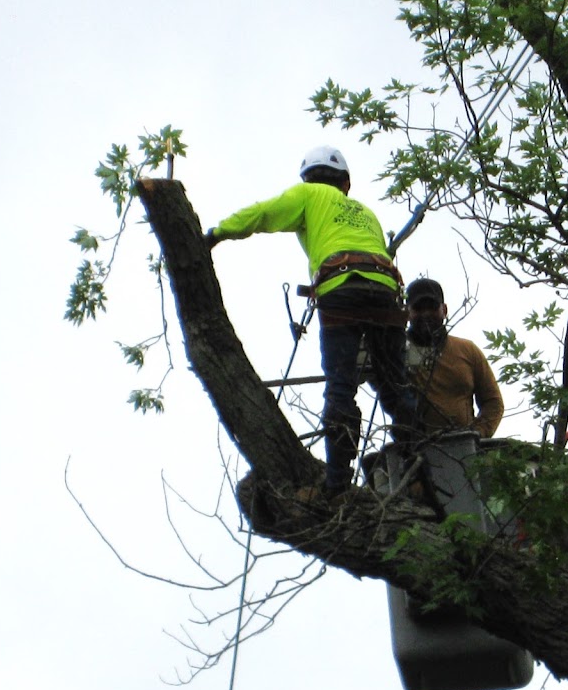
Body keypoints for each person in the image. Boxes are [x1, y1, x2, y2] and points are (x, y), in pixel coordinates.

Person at [206, 146, 416, 496]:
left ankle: (337, 483)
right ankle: (421, 458)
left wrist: (217, 233)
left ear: (309, 179)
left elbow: (264, 213)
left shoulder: (308, 194)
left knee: (341, 386)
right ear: (345, 184)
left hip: (341, 290)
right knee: (395, 385)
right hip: (385, 291)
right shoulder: (366, 213)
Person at [405, 278, 504, 439]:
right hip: (413, 446)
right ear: (407, 312)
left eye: (432, 307)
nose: (426, 314)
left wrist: (478, 434)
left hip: (464, 445)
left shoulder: (467, 350)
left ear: (444, 310)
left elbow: (493, 402)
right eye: (418, 308)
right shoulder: (396, 352)